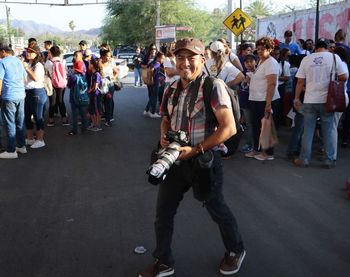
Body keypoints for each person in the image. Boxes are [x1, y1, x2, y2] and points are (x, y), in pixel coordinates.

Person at [139, 37, 245, 277]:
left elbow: (228, 128)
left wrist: (196, 150)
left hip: (204, 162)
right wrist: (165, 136)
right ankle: (163, 261)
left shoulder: (212, 86)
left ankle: (235, 249)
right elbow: (166, 119)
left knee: (216, 208)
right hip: (175, 160)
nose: (184, 63)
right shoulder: (172, 88)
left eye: (190, 57)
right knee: (163, 213)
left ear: (202, 59)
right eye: (180, 57)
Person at [293, 38, 348, 168]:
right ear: (327, 47)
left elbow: (300, 81)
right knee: (328, 131)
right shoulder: (334, 58)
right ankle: (329, 160)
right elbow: (344, 76)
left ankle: (304, 159)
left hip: (309, 100)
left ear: (315, 47)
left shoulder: (307, 59)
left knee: (308, 131)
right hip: (326, 100)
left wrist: (296, 98)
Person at [245, 37, 280, 161]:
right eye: (258, 49)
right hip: (256, 99)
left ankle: (268, 153)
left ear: (270, 49)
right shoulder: (261, 61)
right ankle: (256, 149)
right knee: (256, 126)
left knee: (267, 128)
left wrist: (268, 103)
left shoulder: (271, 63)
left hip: (266, 100)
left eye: (262, 49)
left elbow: (272, 84)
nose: (259, 51)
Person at [0, 44, 27, 159]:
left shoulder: (3, 62)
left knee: (10, 123)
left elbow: (0, 81)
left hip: (9, 96)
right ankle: (21, 146)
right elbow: (24, 79)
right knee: (20, 122)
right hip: (20, 95)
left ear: (3, 51)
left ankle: (11, 150)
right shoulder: (18, 61)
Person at [23, 44, 47, 149]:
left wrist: (27, 68)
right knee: (27, 116)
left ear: (36, 54)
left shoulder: (39, 66)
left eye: (30, 51)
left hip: (37, 92)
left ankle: (40, 140)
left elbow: (36, 78)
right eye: (27, 51)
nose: (28, 53)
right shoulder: (29, 64)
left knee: (38, 117)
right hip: (27, 92)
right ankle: (29, 138)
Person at [44, 45, 69, 127]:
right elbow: (66, 72)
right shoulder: (63, 61)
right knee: (61, 101)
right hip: (62, 84)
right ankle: (64, 120)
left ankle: (51, 121)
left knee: (52, 102)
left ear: (51, 53)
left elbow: (46, 72)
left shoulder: (48, 62)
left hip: (52, 84)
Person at [238, 54, 257, 153]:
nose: (249, 64)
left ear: (256, 62)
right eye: (246, 62)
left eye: (251, 61)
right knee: (249, 125)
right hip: (244, 103)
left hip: (254, 102)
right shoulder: (243, 73)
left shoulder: (257, 73)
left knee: (253, 125)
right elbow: (240, 88)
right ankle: (251, 144)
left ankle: (252, 145)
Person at [67, 60, 88, 135]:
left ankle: (74, 130)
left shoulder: (73, 77)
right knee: (83, 114)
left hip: (74, 98)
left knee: (74, 115)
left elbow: (69, 86)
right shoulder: (84, 76)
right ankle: (84, 128)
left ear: (75, 68)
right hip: (83, 97)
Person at [100, 48, 118, 126]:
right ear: (103, 56)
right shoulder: (99, 63)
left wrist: (113, 77)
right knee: (100, 102)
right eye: (107, 56)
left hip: (110, 85)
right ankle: (97, 118)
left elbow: (116, 72)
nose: (109, 58)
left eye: (110, 56)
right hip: (101, 85)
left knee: (109, 102)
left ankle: (108, 119)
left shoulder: (111, 63)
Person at [144, 51, 165, 118]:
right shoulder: (157, 63)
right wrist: (152, 76)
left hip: (150, 82)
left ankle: (146, 110)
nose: (163, 60)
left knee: (152, 96)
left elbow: (148, 67)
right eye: (162, 58)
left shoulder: (152, 62)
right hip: (156, 82)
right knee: (154, 97)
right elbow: (152, 69)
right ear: (158, 58)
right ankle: (152, 112)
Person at [142, 44, 157, 116]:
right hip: (149, 77)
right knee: (151, 94)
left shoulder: (157, 56)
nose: (153, 50)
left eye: (154, 49)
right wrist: (148, 65)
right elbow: (142, 65)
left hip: (156, 77)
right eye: (152, 49)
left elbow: (160, 65)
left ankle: (150, 110)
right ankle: (149, 110)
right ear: (150, 49)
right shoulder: (147, 56)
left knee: (154, 95)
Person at [88, 58, 103, 131]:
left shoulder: (97, 74)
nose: (89, 65)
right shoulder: (93, 74)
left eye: (90, 63)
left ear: (93, 65)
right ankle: (94, 124)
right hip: (92, 95)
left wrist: (89, 90)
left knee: (97, 109)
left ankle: (97, 125)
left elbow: (95, 86)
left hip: (96, 94)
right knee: (91, 110)